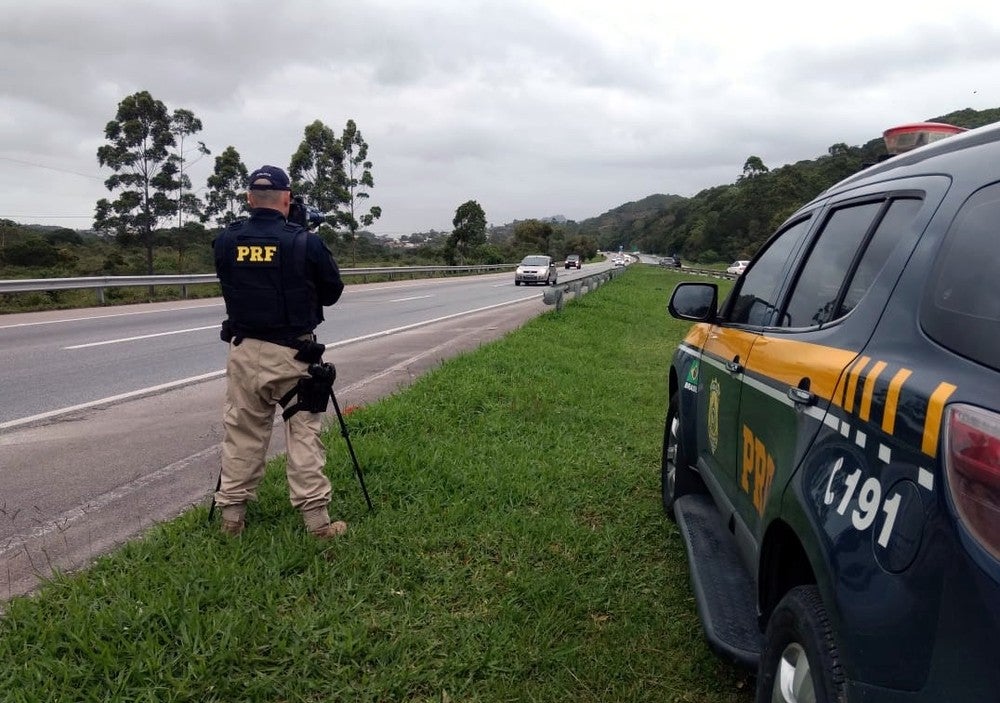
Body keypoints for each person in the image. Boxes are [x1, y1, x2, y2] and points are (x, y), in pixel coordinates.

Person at [212, 165, 347, 539]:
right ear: (287, 199)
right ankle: (317, 523)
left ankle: (231, 520)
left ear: (248, 199)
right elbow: (332, 292)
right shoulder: (304, 241)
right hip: (292, 355)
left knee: (242, 432)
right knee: (303, 433)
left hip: (242, 351)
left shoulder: (226, 240)